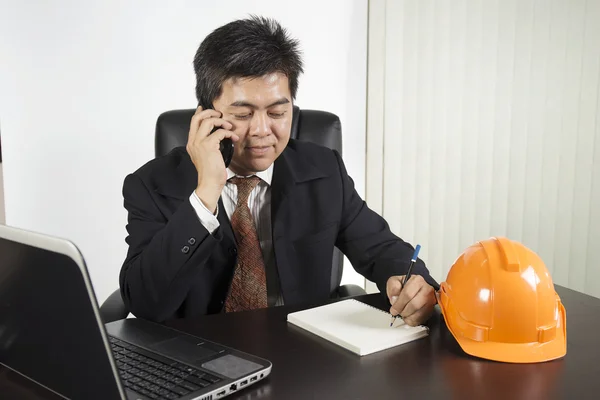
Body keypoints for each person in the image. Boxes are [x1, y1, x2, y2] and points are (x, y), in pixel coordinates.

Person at [119, 16, 438, 325]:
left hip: (301, 352)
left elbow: (384, 250)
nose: (262, 130)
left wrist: (415, 286)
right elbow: (145, 302)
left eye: (277, 112)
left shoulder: (324, 170)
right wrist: (205, 194)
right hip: (197, 359)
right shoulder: (152, 184)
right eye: (243, 114)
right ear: (206, 116)